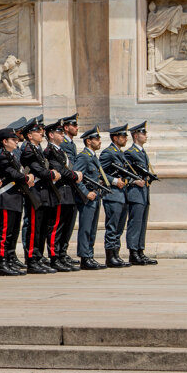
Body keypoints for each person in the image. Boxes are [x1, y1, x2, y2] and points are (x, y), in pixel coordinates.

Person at [19, 119, 60, 274]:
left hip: (43, 193)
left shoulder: (37, 149)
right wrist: (52, 174)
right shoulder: (28, 150)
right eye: (37, 131)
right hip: (35, 193)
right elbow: (38, 170)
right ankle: (31, 259)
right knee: (34, 228)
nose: (41, 133)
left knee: (42, 228)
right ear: (29, 135)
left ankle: (38, 256)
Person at [43, 119, 83, 272]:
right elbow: (59, 169)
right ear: (51, 135)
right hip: (59, 192)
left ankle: (61, 255)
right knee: (56, 227)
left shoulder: (60, 151)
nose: (62, 134)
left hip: (68, 192)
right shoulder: (49, 151)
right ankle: (54, 257)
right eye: (59, 132)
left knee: (65, 226)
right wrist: (74, 175)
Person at [0, 127, 32, 276]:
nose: (16, 142)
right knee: (5, 233)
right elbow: (13, 174)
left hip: (15, 198)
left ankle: (9, 259)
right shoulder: (3, 157)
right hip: (6, 198)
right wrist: (27, 177)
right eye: (13, 140)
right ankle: (2, 263)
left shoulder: (13, 156)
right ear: (5, 141)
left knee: (13, 232)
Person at [73, 125, 108, 270]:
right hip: (88, 198)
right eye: (97, 138)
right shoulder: (84, 157)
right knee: (86, 228)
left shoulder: (93, 157)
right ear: (88, 141)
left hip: (95, 196)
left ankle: (90, 255)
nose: (99, 141)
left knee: (92, 228)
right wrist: (86, 193)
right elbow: (76, 177)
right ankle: (84, 257)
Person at [124, 122, 158, 265]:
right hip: (135, 193)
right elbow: (125, 172)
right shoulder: (130, 152)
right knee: (135, 223)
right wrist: (134, 181)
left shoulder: (142, 152)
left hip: (144, 193)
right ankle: (133, 252)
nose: (146, 136)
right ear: (136, 136)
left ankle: (140, 251)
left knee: (142, 223)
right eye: (143, 133)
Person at [100, 124, 132, 268]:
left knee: (119, 227)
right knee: (112, 227)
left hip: (122, 195)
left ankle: (116, 255)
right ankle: (110, 257)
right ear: (115, 138)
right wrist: (114, 181)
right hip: (112, 195)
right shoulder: (108, 153)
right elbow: (99, 172)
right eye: (123, 136)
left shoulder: (120, 153)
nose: (126, 138)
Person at [60, 113, 80, 266]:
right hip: (65, 188)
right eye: (74, 125)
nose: (77, 128)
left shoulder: (71, 144)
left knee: (69, 223)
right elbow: (69, 165)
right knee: (63, 223)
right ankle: (60, 253)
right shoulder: (64, 144)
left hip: (72, 187)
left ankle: (63, 252)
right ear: (66, 128)